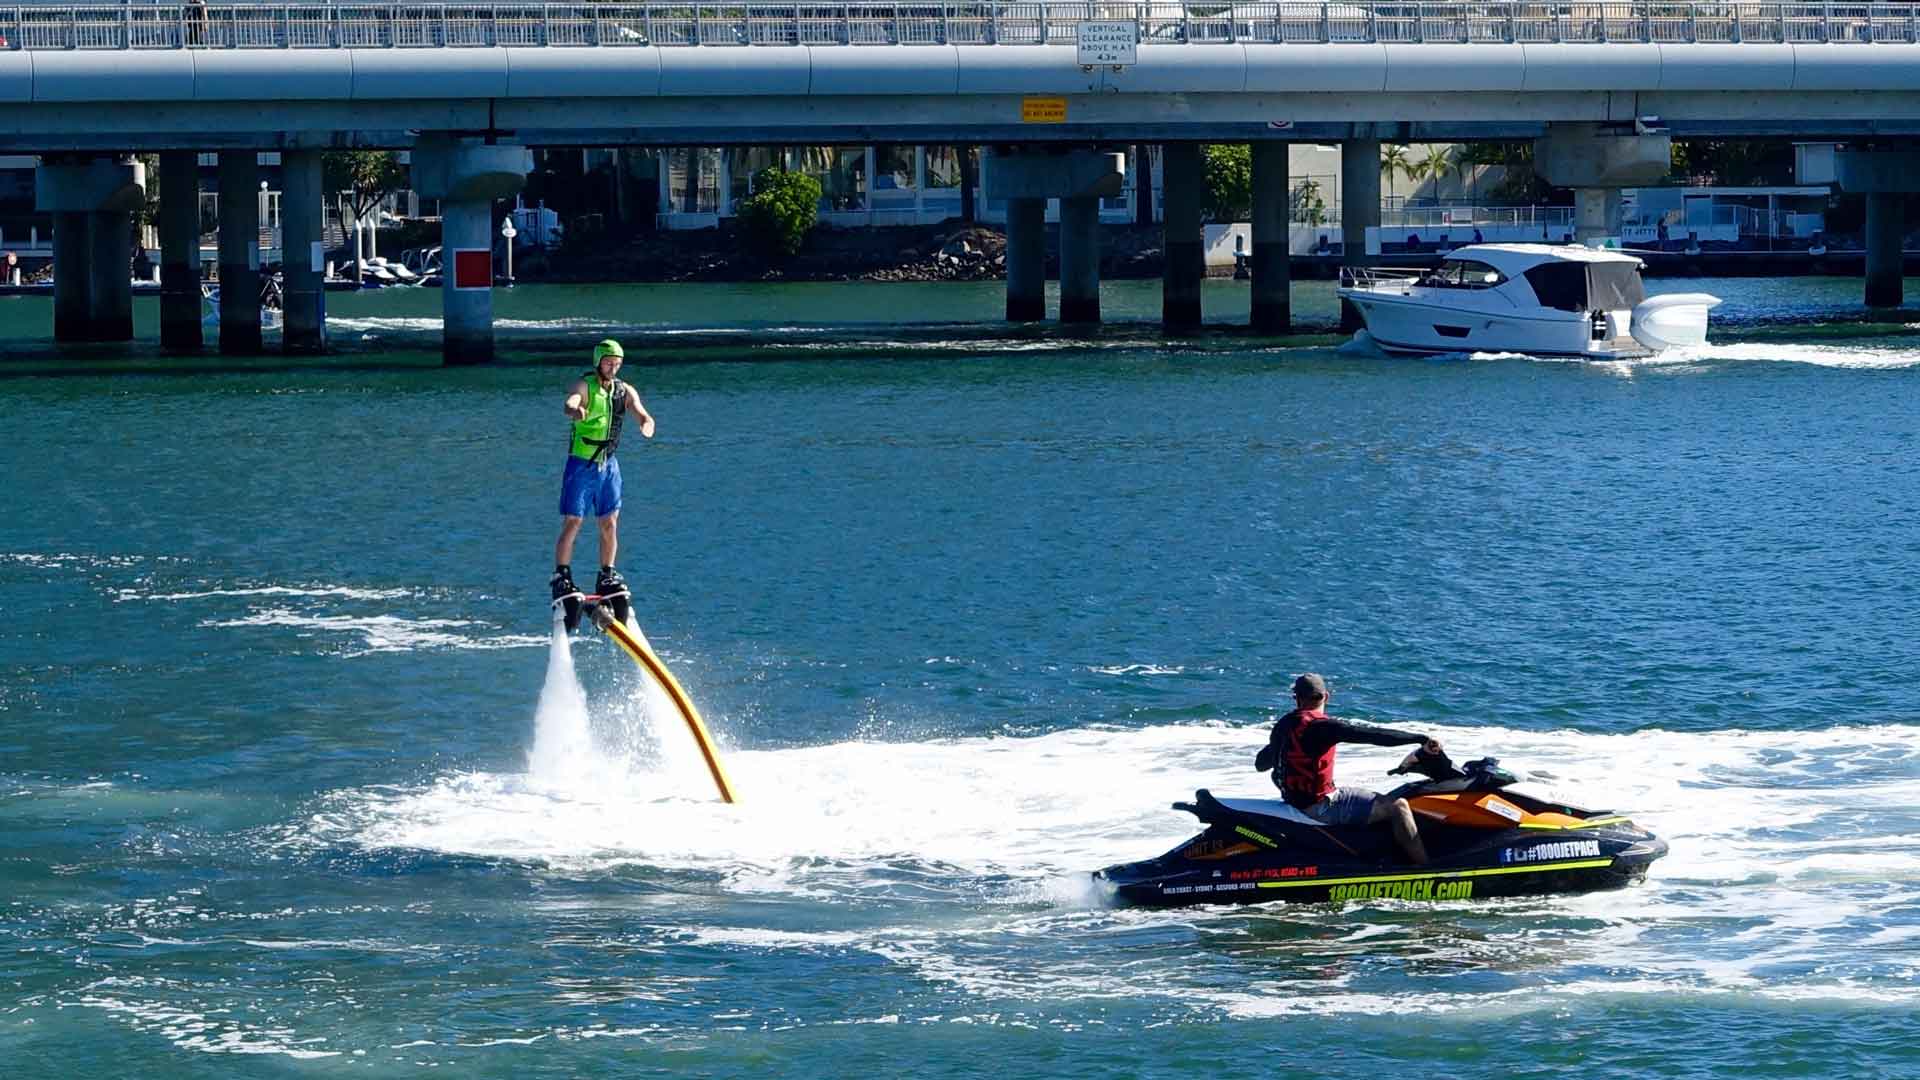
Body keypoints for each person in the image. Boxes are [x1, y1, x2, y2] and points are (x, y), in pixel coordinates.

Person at [1254, 673, 1442, 865]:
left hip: (1292, 802)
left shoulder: (1283, 726)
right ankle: (1426, 868)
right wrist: (1420, 739)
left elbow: (1260, 764)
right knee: (1398, 806)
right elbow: (1373, 735)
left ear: (1296, 698)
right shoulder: (1322, 727)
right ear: (1326, 696)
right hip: (1320, 808)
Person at [551, 339, 654, 608]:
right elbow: (569, 403)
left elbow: (640, 411)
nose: (613, 367)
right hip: (582, 464)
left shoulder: (623, 390)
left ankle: (607, 574)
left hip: (609, 465)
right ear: (598, 361)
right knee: (573, 521)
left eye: (617, 363)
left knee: (609, 522)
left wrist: (646, 421)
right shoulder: (584, 385)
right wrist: (576, 410)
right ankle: (562, 575)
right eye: (609, 362)